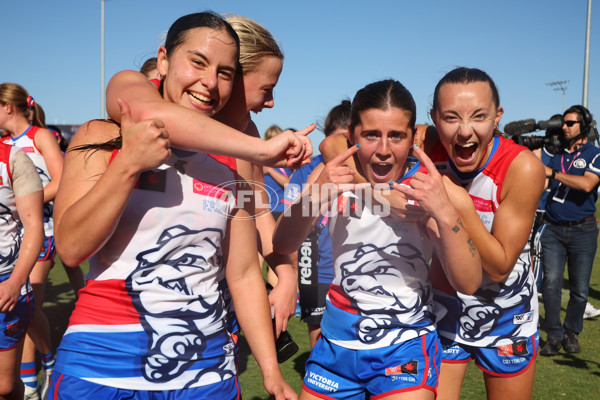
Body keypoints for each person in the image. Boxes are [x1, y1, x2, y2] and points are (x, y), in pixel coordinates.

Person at [49, 12, 296, 399]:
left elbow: (246, 271)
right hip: (99, 366)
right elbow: (70, 247)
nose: (209, 82)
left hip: (206, 375)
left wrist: (270, 370)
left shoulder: (237, 160)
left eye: (225, 73)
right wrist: (129, 164)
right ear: (163, 60)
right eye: (197, 62)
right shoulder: (101, 135)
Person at [274, 79, 482, 399]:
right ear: (351, 136)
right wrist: (316, 195)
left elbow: (468, 282)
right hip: (336, 345)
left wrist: (445, 214)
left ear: (413, 138)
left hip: (404, 344)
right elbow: (283, 243)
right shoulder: (334, 175)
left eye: (396, 136)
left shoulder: (428, 187)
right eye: (371, 135)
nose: (384, 150)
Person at [105, 13, 308, 338]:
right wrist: (262, 151)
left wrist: (286, 277)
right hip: (123, 308)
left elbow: (258, 214)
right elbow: (151, 115)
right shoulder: (137, 85)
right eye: (266, 89)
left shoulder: (245, 134)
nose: (270, 103)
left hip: (205, 306)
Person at [428, 67, 545, 400]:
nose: (465, 132)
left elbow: (498, 267)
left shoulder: (521, 166)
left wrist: (461, 206)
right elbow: (341, 140)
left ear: (498, 117)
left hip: (508, 317)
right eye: (451, 118)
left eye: (479, 116)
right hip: (445, 312)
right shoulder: (427, 147)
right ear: (434, 119)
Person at [0, 83, 63, 400]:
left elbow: (62, 178)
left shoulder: (39, 136)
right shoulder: (4, 144)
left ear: (8, 107)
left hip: (42, 230)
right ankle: (33, 377)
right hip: (13, 232)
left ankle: (41, 372)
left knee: (25, 304)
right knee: (26, 312)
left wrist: (23, 202)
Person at [282, 99, 350, 348]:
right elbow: (288, 218)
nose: (340, 148)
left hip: (352, 271)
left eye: (346, 141)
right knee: (319, 344)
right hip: (316, 269)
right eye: (336, 140)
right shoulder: (308, 168)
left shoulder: (364, 170)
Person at [538, 105, 600, 356]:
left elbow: (587, 184)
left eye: (570, 123)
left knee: (580, 288)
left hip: (583, 230)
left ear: (584, 126)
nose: (564, 127)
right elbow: (542, 181)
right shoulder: (556, 153)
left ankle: (571, 331)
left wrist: (553, 173)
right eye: (563, 123)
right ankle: (553, 334)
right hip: (553, 227)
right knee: (551, 283)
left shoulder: (595, 153)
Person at [0, 141, 44, 400]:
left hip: (6, 283)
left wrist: (15, 282)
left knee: (4, 387)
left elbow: (34, 226)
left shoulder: (13, 158)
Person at [263, 124, 292, 218]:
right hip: (266, 211)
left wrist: (270, 171)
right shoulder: (262, 162)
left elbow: (290, 184)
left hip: (282, 210)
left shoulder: (287, 163)